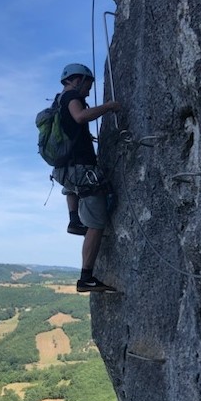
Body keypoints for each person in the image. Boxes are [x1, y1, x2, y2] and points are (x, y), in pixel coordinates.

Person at [52, 63, 121, 293]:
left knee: (73, 190)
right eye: (88, 85)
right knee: (97, 223)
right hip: (80, 169)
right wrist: (109, 106)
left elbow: (73, 126)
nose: (89, 91)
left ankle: (73, 219)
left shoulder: (58, 100)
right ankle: (86, 278)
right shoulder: (72, 96)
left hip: (64, 170)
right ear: (77, 80)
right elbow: (80, 116)